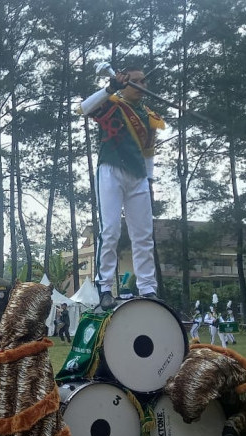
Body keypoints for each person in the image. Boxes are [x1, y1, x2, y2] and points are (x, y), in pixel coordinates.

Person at [78, 66, 165, 310]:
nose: (141, 85)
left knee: (143, 234)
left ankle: (148, 287)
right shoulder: (112, 102)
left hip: (138, 176)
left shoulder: (149, 115)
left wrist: (149, 181)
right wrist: (110, 87)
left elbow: (148, 151)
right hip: (111, 170)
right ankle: (104, 286)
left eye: (143, 81)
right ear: (124, 83)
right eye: (135, 81)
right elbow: (84, 108)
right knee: (111, 230)